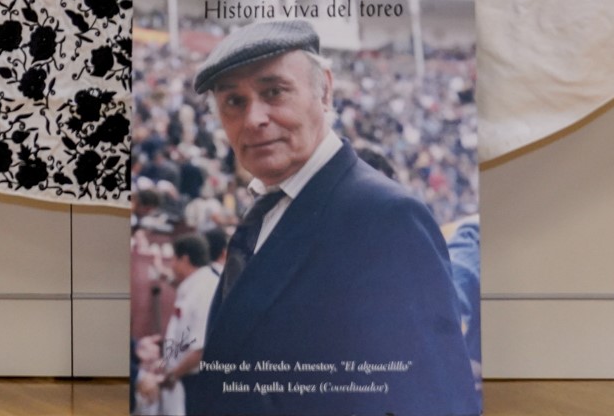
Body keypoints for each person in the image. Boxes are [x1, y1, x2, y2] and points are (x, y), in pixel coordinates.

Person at [184, 21, 479, 416]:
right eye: (234, 101)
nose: (253, 118)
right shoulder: (266, 209)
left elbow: (432, 400)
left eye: (274, 92)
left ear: (324, 89)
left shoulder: (385, 217)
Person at [136, 232, 216, 415]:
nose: (171, 265)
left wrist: (171, 376)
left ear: (184, 259)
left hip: (192, 382)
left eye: (174, 259)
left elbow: (200, 349)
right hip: (182, 378)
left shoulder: (204, 290)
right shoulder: (197, 284)